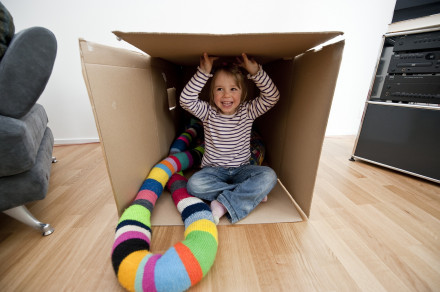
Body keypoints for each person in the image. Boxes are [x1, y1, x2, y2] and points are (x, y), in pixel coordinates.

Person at [180, 52, 280, 224]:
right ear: (212, 93)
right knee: (194, 184)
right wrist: (203, 73)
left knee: (269, 175)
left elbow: (272, 97)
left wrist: (256, 72)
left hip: (242, 169)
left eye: (233, 89)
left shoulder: (248, 111)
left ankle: (223, 204)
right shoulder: (207, 112)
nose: (226, 95)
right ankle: (248, 196)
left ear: (242, 92)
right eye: (220, 89)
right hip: (213, 171)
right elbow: (185, 100)